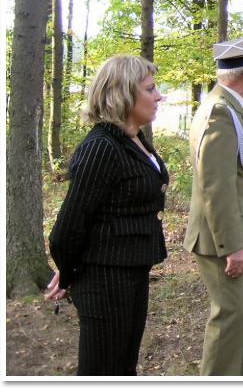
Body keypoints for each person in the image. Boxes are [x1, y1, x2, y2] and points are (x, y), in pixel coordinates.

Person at [46, 55, 167, 375]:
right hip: (104, 280)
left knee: (124, 369)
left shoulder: (134, 138)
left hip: (132, 270)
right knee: (101, 372)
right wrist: (69, 272)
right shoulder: (102, 147)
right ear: (123, 94)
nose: (159, 96)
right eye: (150, 89)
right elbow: (67, 228)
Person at [184, 37, 243, 375]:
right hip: (223, 240)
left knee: (237, 312)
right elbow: (216, 186)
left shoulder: (230, 108)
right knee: (230, 315)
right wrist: (233, 246)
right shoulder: (220, 112)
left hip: (231, 234)